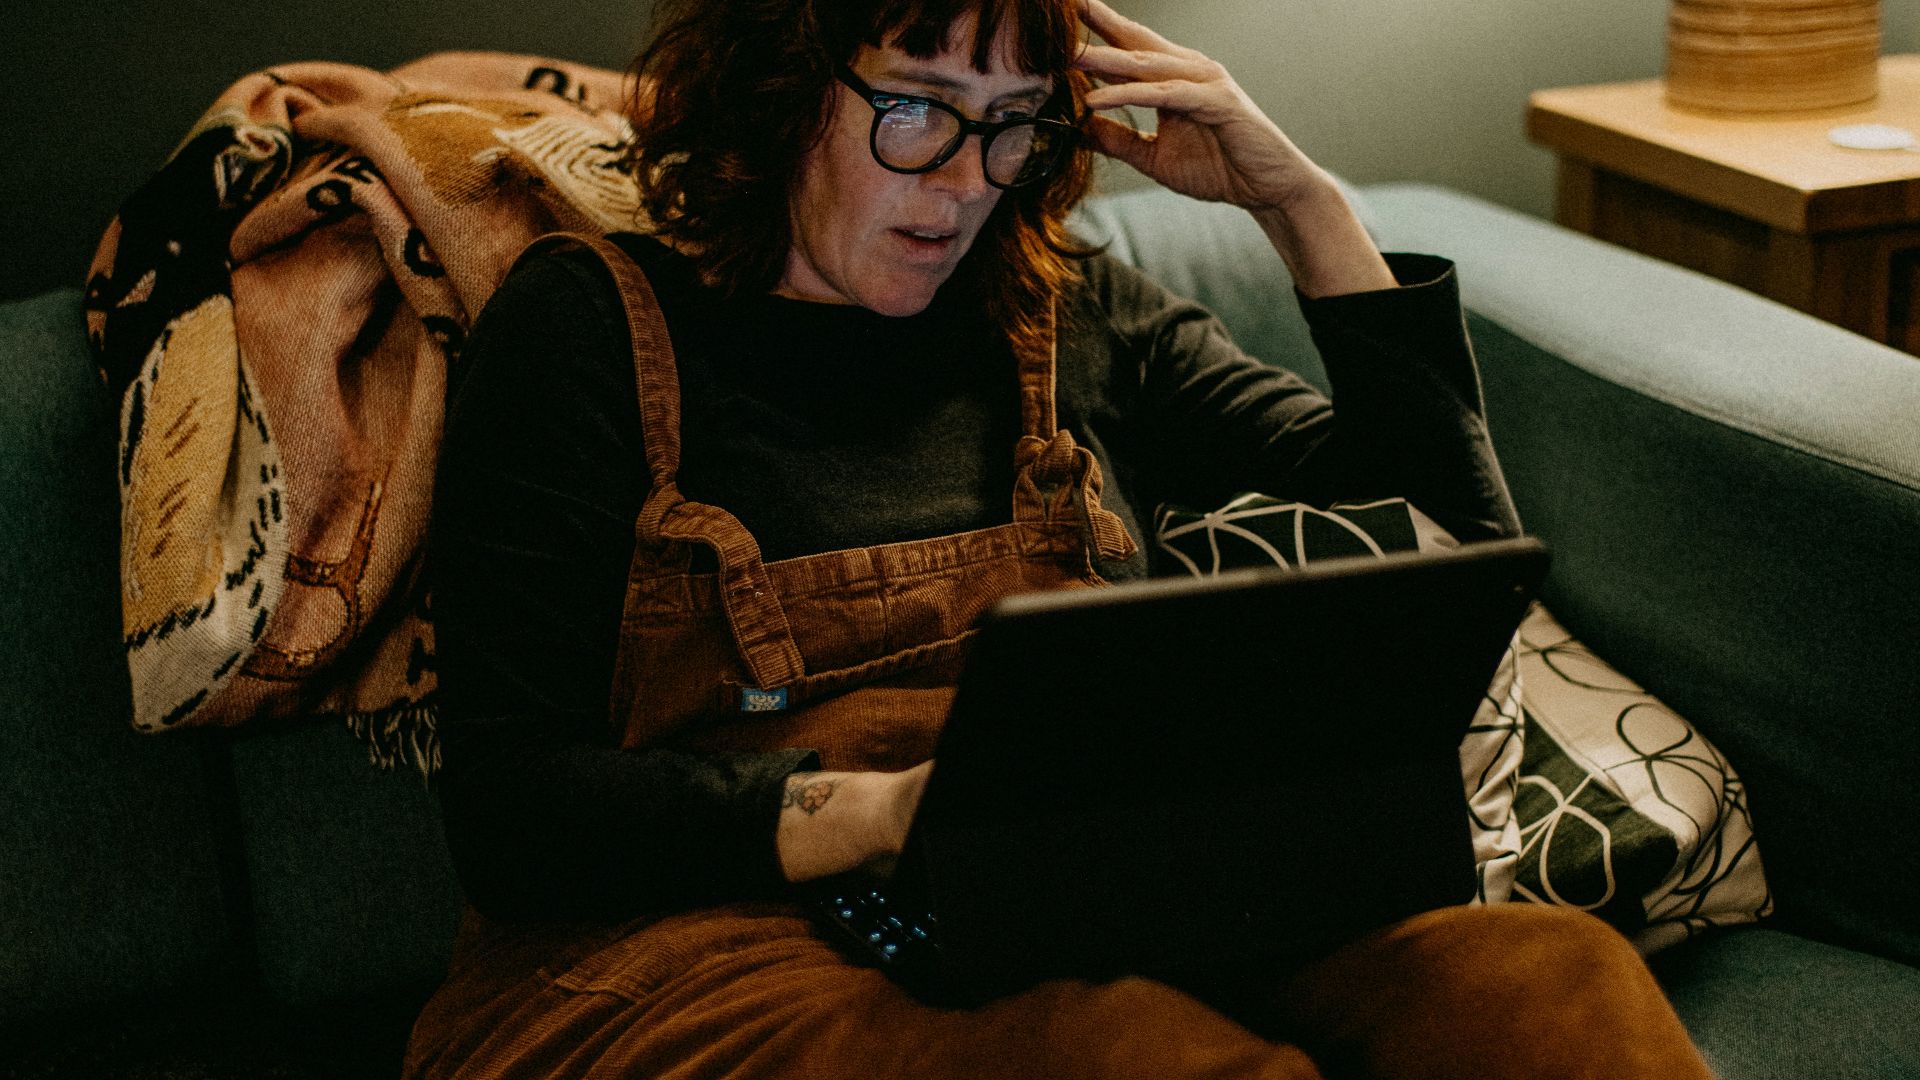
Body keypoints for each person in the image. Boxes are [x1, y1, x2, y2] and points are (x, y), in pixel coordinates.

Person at [404, 1, 1717, 1077]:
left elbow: (1445, 542)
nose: (963, 183)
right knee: (1138, 1056)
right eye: (916, 107)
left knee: (1557, 991)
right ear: (782, 87)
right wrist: (885, 812)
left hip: (1084, 895)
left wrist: (1302, 206)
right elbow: (517, 820)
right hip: (694, 940)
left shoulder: (1071, 312)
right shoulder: (588, 328)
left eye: (1014, 124)